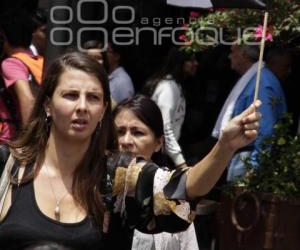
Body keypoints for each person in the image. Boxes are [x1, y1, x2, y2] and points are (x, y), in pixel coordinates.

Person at [0, 51, 261, 249]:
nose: (82, 107)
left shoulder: (118, 175)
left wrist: (225, 147)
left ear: (103, 110)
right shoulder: (7, 166)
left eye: (92, 98)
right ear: (47, 104)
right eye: (70, 95)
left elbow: (181, 189)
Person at [114, 94, 199, 250]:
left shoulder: (171, 195)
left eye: (137, 132)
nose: (126, 141)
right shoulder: (96, 188)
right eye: (119, 132)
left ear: (158, 143)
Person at [212, 44, 286, 182]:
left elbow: (266, 129)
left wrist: (254, 167)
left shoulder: (262, 82)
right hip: (240, 156)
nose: (229, 56)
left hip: (248, 160)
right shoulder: (253, 79)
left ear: (243, 56)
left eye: (232, 51)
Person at [143, 47, 198, 168]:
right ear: (180, 62)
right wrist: (180, 162)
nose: (196, 64)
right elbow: (165, 126)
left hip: (164, 153)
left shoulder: (176, 86)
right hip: (159, 155)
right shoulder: (168, 88)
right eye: (191, 61)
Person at [0, 9, 44, 127]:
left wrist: (29, 141)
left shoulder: (12, 63)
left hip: (12, 137)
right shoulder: (40, 60)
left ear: (3, 38)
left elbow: (28, 100)